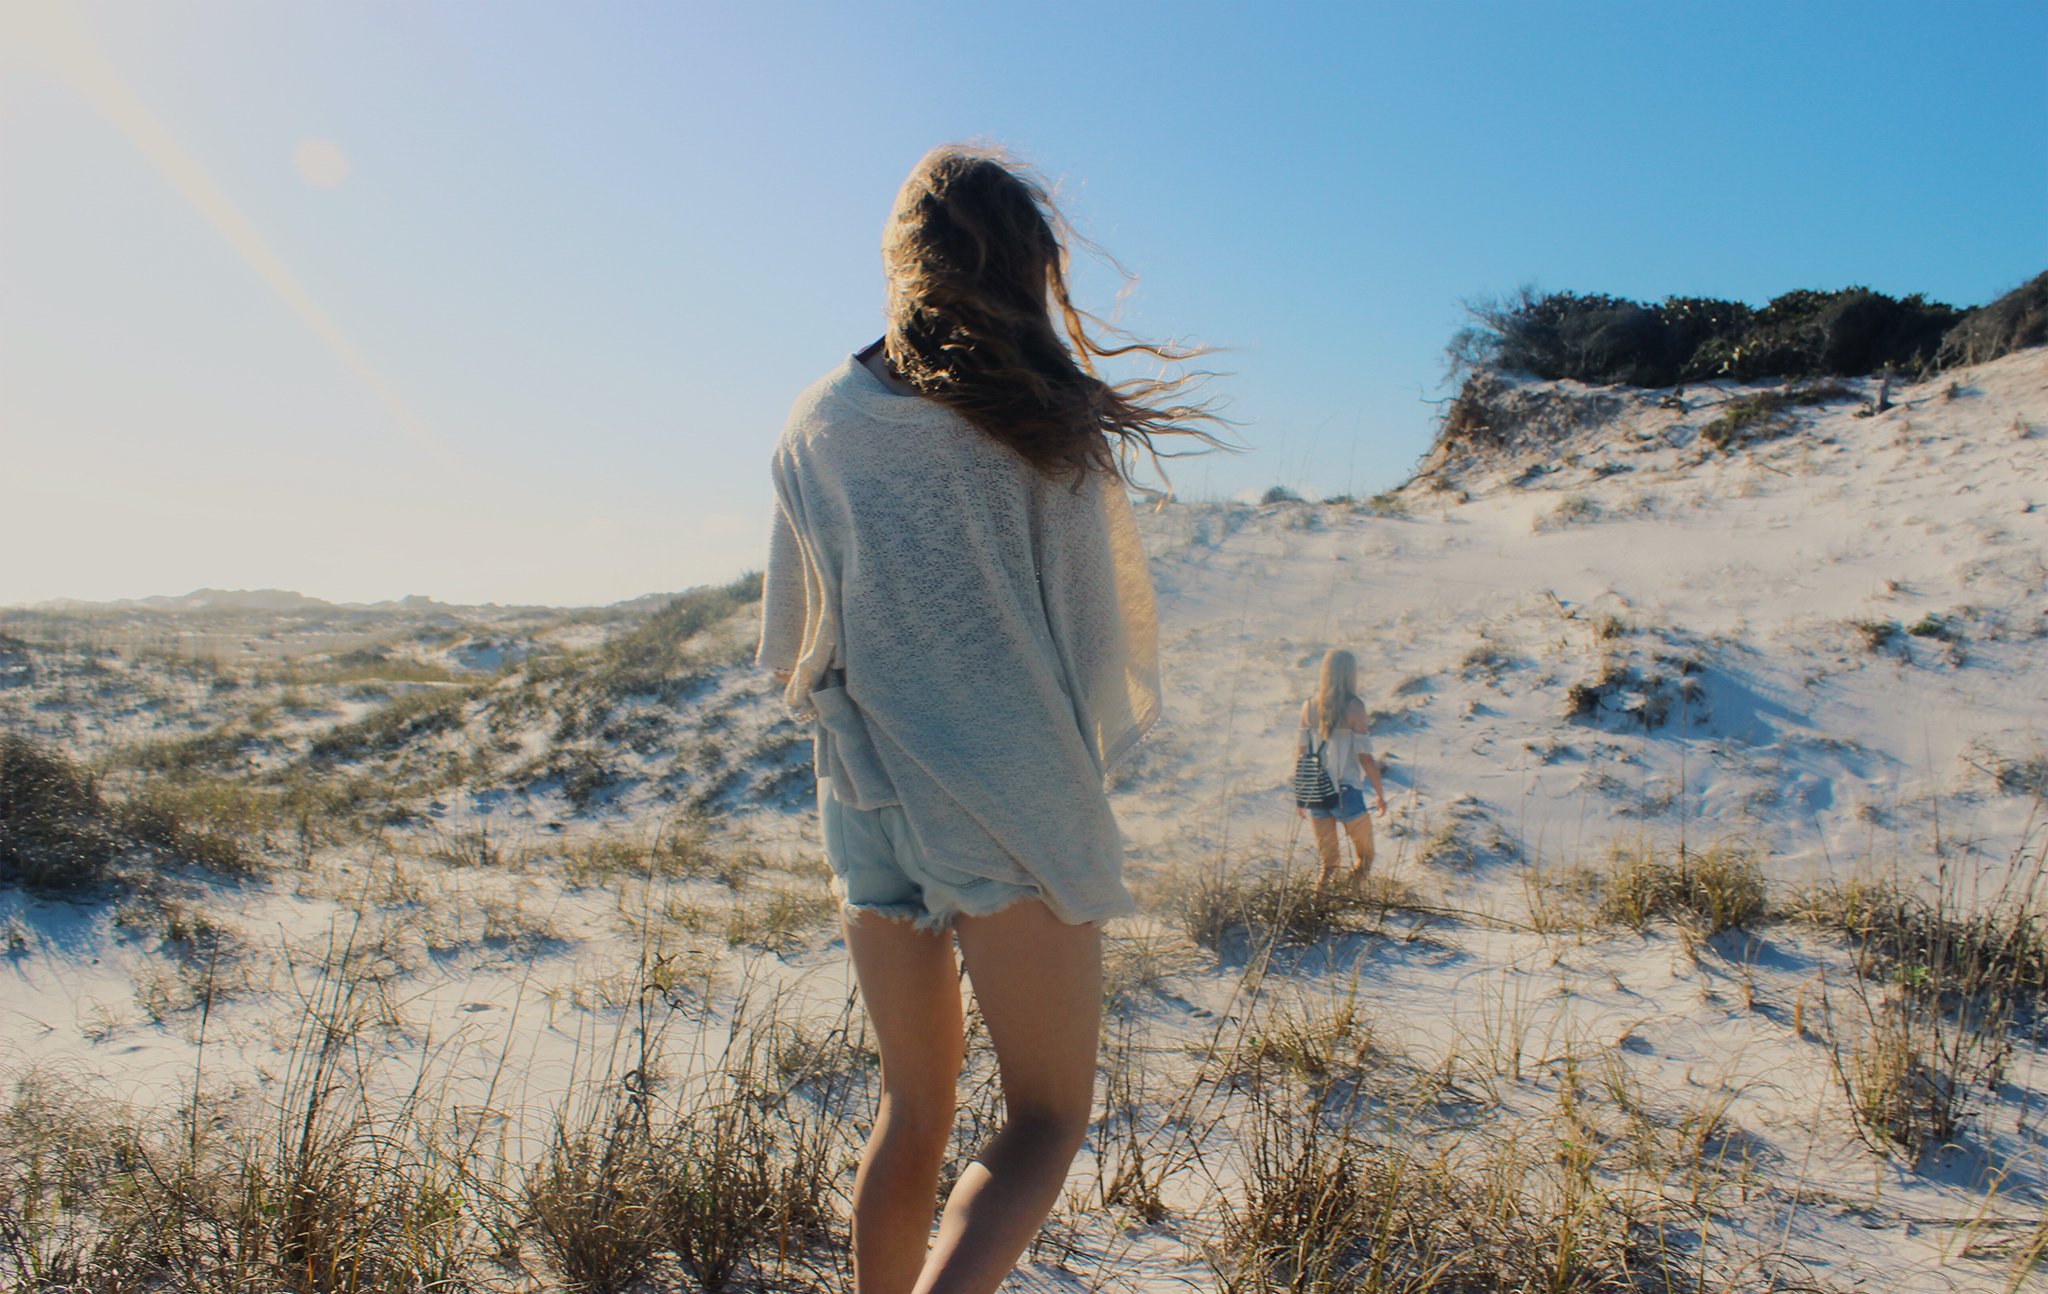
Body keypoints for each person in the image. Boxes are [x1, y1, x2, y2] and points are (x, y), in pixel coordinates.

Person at [755, 145, 1218, 1294]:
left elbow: (794, 641)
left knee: (910, 1109)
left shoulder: (814, 419)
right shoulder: (1039, 422)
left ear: (903, 259)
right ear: (1027, 266)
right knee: (1047, 1115)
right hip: (1007, 791)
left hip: (863, 794)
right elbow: (1093, 641)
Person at [1296, 648, 1389, 887]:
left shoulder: (1308, 706)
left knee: (1329, 866)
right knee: (1365, 857)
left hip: (1317, 792)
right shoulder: (1354, 707)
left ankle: (1318, 917)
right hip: (1346, 791)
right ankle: (1349, 904)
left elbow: (1302, 754)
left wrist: (1301, 797)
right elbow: (1365, 758)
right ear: (1350, 674)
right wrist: (1380, 794)